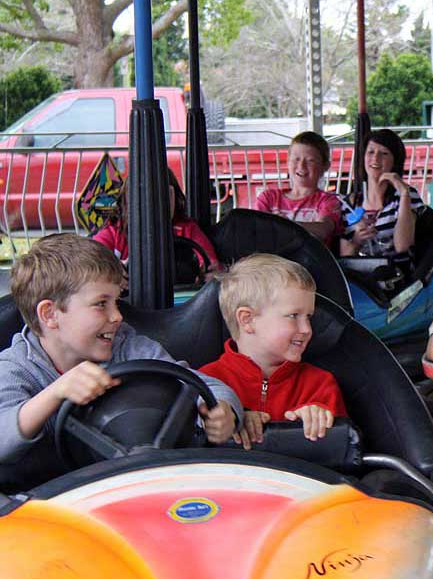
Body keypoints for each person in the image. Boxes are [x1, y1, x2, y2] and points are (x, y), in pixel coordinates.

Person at [0, 234, 241, 487]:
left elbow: (199, 384)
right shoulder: (17, 368)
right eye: (101, 304)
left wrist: (224, 411)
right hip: (54, 503)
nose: (117, 316)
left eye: (116, 301)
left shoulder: (127, 347)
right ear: (50, 314)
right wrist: (55, 393)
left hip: (133, 486)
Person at [200, 254, 347, 449]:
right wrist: (236, 416)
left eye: (308, 317)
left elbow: (343, 450)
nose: (307, 329)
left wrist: (319, 420)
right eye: (293, 316)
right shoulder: (206, 382)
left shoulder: (320, 385)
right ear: (247, 320)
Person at [94, 172, 221, 276]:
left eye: (163, 196)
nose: (153, 204)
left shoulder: (187, 229)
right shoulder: (114, 234)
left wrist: (207, 274)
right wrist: (114, 274)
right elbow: (89, 267)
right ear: (129, 201)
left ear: (174, 198)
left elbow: (212, 266)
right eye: (144, 196)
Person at [340, 129, 425, 257]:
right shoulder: (349, 204)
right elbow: (344, 256)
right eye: (371, 152)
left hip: (395, 272)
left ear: (395, 161)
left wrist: (404, 194)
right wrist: (357, 240)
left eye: (384, 153)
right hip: (358, 273)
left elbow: (403, 246)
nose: (375, 158)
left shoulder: (405, 196)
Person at [255, 131, 343, 245]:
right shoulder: (268, 198)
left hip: (311, 261)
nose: (301, 166)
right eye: (296, 159)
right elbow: (256, 231)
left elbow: (323, 229)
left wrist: (286, 225)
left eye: (310, 161)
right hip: (273, 261)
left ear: (325, 166)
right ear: (288, 162)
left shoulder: (328, 201)